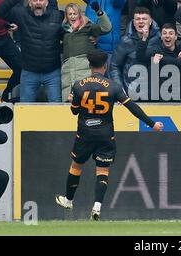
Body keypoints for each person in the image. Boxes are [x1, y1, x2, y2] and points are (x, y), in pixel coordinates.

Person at [55, 50, 163, 220]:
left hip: (84, 134)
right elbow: (132, 107)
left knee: (76, 166)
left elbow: (74, 112)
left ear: (89, 66)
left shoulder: (78, 85)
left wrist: (72, 101)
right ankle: (97, 207)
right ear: (105, 66)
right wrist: (152, 124)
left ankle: (68, 200)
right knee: (102, 170)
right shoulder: (113, 86)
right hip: (106, 134)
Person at [0, 0, 64, 102]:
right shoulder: (21, 14)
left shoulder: (58, 16)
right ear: (29, 3)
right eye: (35, 0)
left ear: (46, 3)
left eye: (41, 0)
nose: (38, 2)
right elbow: (0, 11)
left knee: (56, 106)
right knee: (25, 107)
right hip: (29, 72)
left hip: (52, 72)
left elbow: (74, 28)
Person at [61, 2, 112, 101]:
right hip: (68, 71)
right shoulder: (63, 30)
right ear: (66, 16)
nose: (72, 16)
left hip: (84, 68)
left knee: (87, 100)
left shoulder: (88, 26)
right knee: (68, 101)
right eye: (70, 14)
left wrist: (99, 12)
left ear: (79, 14)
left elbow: (107, 28)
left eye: (75, 14)